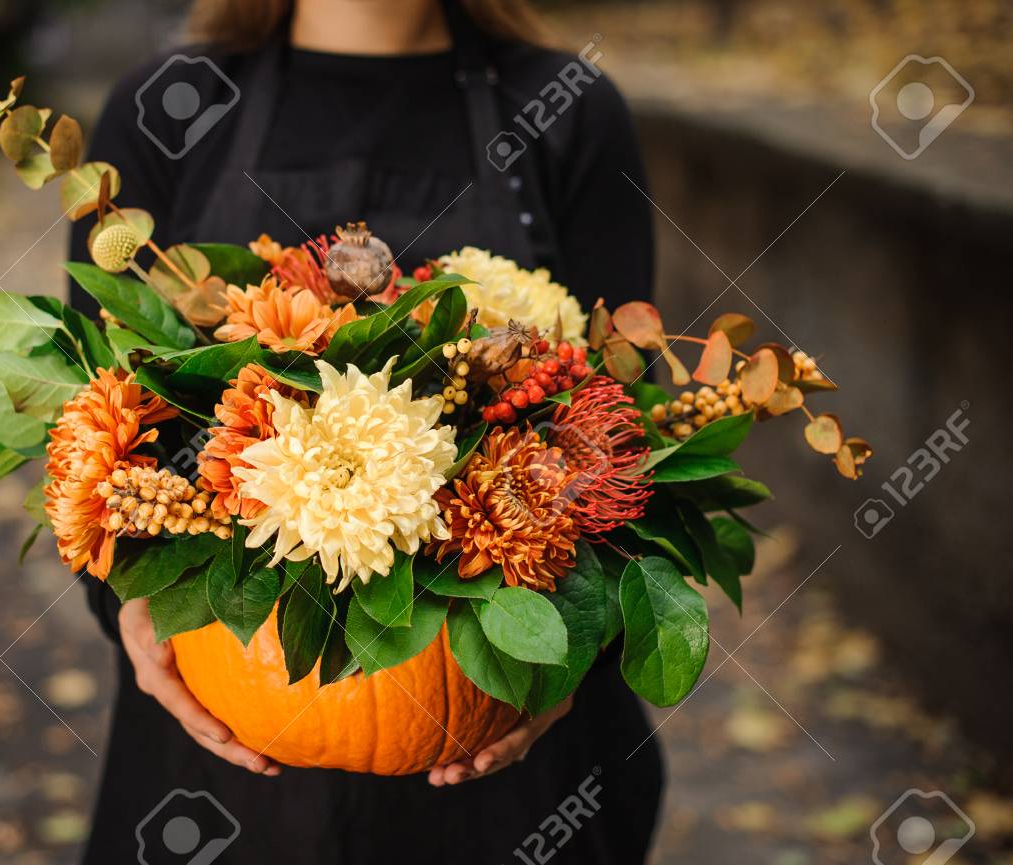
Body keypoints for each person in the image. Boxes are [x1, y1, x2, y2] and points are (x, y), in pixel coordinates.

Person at [68, 1, 662, 862]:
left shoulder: (567, 109)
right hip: (228, 748)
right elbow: (92, 422)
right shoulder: (166, 106)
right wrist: (122, 593)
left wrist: (588, 646)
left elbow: (625, 444)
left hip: (512, 759)